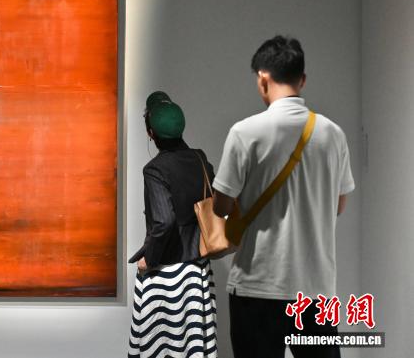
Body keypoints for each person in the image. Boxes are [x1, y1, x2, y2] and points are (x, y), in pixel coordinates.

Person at [212, 36, 355, 358]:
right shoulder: (333, 134)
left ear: (263, 79)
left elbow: (221, 206)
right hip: (315, 291)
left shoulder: (245, 132)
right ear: (302, 80)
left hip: (256, 286)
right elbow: (339, 205)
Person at [128, 92, 218, 358]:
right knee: (194, 347)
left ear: (151, 133)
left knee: (162, 347)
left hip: (167, 275)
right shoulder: (200, 159)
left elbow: (164, 222)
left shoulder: (155, 169)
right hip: (198, 272)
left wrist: (149, 259)